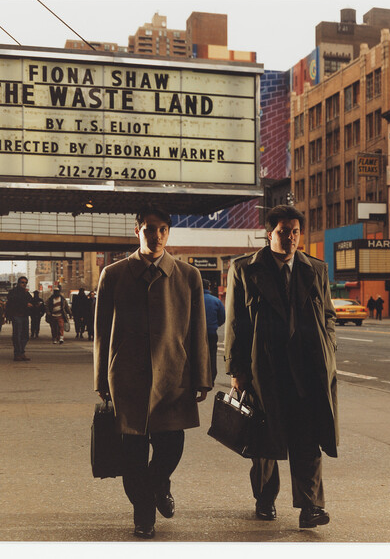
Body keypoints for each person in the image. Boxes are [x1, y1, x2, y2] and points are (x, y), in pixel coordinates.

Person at [94, 207, 212, 540]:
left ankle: (159, 483)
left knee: (171, 445)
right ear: (137, 231)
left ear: (168, 233)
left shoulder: (188, 275)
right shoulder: (114, 274)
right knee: (132, 454)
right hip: (127, 376)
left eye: (162, 229)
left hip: (174, 375)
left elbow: (198, 331)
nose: (156, 235)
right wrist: (100, 379)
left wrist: (202, 376)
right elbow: (102, 331)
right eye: (149, 229)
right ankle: (143, 516)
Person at [224, 204, 338, 530]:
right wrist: (237, 372)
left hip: (307, 372)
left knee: (308, 438)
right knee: (265, 443)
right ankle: (264, 497)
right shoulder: (246, 269)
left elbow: (328, 316)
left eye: (294, 232)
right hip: (264, 370)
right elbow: (236, 323)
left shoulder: (315, 269)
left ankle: (311, 507)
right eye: (282, 232)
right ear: (268, 233)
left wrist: (329, 349)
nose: (289, 238)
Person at [5, 276, 34, 361]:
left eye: (25, 283)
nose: (24, 284)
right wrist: (26, 304)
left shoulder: (26, 293)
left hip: (24, 316)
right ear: (18, 283)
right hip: (16, 316)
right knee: (17, 335)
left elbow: (31, 300)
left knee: (25, 336)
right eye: (22, 282)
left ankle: (21, 352)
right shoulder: (13, 292)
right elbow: (14, 301)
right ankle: (17, 353)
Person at [202, 279, 226, 383]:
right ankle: (210, 378)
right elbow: (222, 318)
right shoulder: (216, 301)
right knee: (212, 355)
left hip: (196, 334)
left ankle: (199, 379)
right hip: (211, 333)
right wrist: (214, 325)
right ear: (209, 287)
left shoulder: (192, 299)